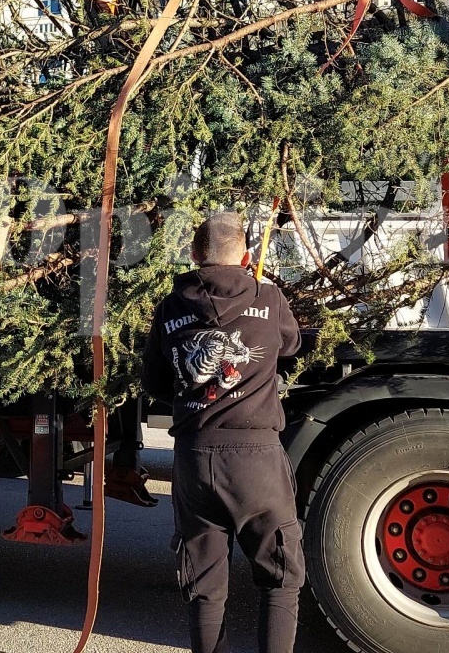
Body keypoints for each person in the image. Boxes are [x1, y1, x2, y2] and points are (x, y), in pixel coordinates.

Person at [142, 212, 304, 653]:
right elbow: (291, 345)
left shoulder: (170, 308)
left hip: (195, 458)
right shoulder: (269, 298)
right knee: (281, 579)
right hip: (258, 461)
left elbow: (154, 382)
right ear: (247, 258)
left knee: (205, 587)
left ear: (194, 256)